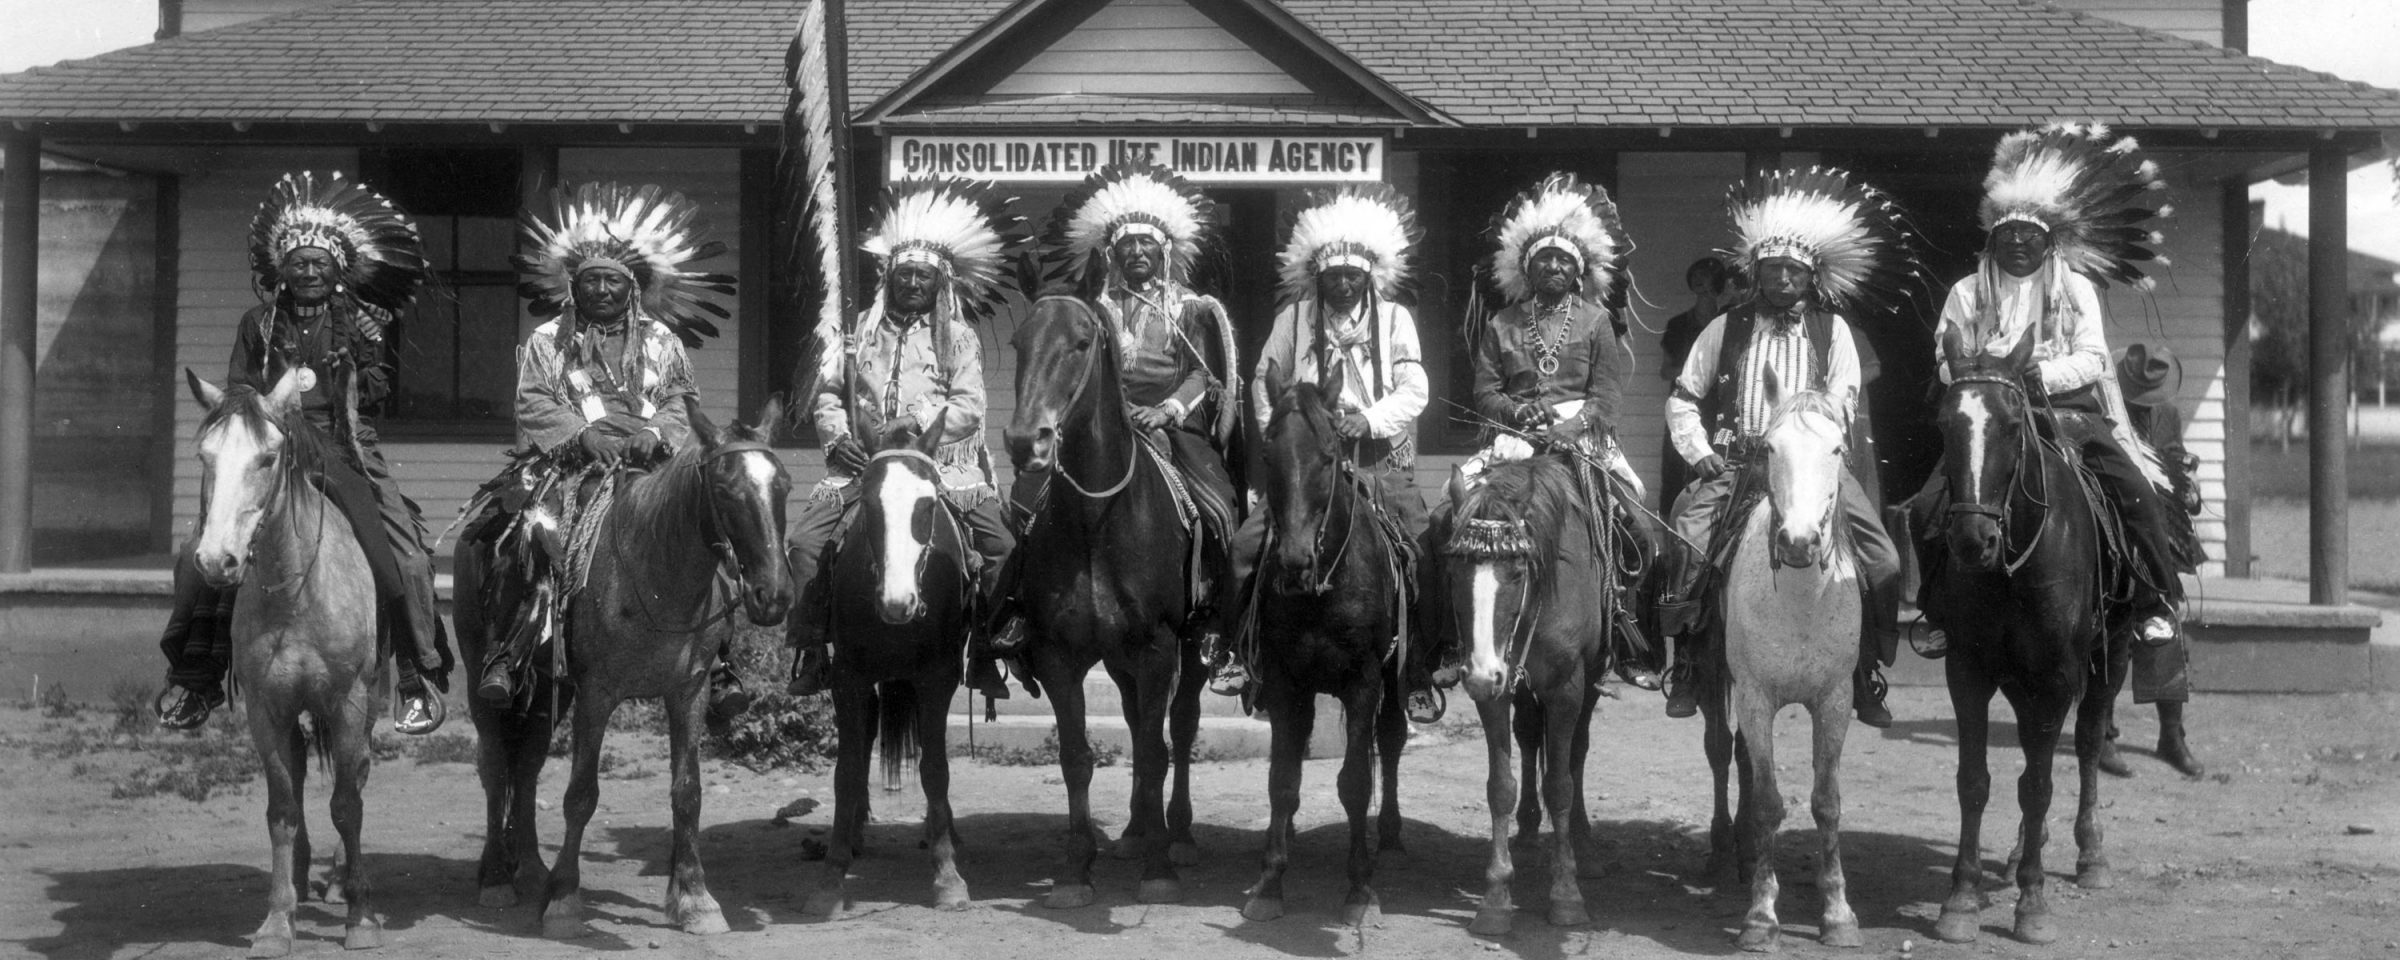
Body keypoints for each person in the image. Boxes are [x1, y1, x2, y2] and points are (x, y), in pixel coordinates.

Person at [154, 172, 453, 735]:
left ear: (336, 267)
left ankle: (416, 672)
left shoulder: (361, 322)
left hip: (340, 444)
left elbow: (384, 388)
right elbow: (239, 389)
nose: (309, 271)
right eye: (298, 262)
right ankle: (196, 677)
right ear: (281, 269)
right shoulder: (257, 323)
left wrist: (354, 368)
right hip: (270, 441)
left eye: (318, 262)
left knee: (404, 553)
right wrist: (264, 410)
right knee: (202, 547)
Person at [471, 181, 749, 718]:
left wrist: (658, 434)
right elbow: (532, 399)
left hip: (652, 464)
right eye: (591, 280)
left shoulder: (662, 340)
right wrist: (581, 434)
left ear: (633, 287)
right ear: (573, 286)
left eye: (612, 281)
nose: (601, 290)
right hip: (571, 466)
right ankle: (512, 651)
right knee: (529, 534)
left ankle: (718, 660)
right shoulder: (548, 340)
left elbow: (680, 398)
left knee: (716, 533)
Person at [1914, 123, 2185, 659]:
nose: (2018, 244)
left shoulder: (2074, 288)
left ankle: (2155, 601)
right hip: (1990, 415)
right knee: (1927, 506)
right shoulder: (1967, 292)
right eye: (2007, 236)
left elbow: (2092, 358)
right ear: (1992, 239)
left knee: (2136, 489)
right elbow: (1944, 359)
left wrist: (2036, 377)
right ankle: (1937, 609)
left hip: (2067, 415)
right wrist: (1978, 378)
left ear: (2049, 241)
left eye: (2029, 236)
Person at [1658, 168, 1915, 728]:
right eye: (1772, 270)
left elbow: (1845, 400)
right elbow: (1683, 396)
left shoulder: (1833, 331)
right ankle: (1687, 666)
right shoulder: (1725, 327)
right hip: (1736, 465)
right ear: (1756, 272)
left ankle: (1866, 667)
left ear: (1811, 276)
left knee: (1884, 560)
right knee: (1687, 538)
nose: (1782, 280)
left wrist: (1809, 440)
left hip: (1810, 467)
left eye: (1793, 271)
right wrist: (1698, 451)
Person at [993, 163, 1242, 671]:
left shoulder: (1188, 308)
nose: (1137, 254)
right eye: (1127, 246)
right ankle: (1019, 607)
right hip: (1104, 422)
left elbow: (1203, 376)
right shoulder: (1093, 307)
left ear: (1164, 251)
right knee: (1023, 499)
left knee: (1218, 506)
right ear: (1112, 254)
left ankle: (1214, 619)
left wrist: (1167, 409)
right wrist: (1111, 408)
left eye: (1146, 246)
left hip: (1171, 426)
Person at [787, 179, 1022, 701]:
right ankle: (811, 647)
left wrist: (918, 426)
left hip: (939, 465)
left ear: (941, 283)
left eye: (924, 275)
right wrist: (837, 438)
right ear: (889, 278)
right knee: (804, 542)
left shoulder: (957, 339)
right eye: (904, 274)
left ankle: (988, 647)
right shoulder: (858, 336)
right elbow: (828, 395)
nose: (913, 283)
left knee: (1001, 545)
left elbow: (969, 406)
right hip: (861, 464)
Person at [1206, 184, 1430, 706]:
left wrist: (1369, 420)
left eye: (1354, 276)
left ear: (1369, 274)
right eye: (1334, 276)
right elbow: (1266, 377)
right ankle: (1237, 651)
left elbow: (1414, 389)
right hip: (1306, 469)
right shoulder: (1294, 319)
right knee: (1244, 547)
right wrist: (1285, 434)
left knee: (1423, 545)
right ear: (1318, 276)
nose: (1345, 285)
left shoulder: (1395, 319)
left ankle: (1422, 662)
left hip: (1377, 463)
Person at [1459, 171, 1657, 693]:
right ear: (1527, 267)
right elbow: (1484, 391)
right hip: (1514, 438)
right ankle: (1454, 639)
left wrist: (1573, 428)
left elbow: (1608, 395)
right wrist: (1514, 414)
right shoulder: (1502, 322)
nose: (1554, 266)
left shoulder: (1595, 321)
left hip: (1582, 438)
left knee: (1635, 522)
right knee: (1448, 515)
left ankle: (1623, 630)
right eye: (1544, 258)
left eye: (1564, 260)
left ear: (1579, 270)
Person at [2100, 342, 2207, 778]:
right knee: (2109, 630)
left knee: (2163, 625)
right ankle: (2102, 733)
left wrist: (2187, 486)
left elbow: (2175, 458)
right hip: (2115, 523)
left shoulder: (2167, 414)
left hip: (2161, 532)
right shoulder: (2103, 408)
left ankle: (2171, 734)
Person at [1658, 257, 1731, 511]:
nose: (1700, 281)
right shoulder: (1678, 325)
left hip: (1720, 408)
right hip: (1687, 404)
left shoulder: (1730, 322)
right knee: (1677, 467)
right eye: (1696, 275)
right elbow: (1665, 371)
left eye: (1708, 276)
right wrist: (1698, 372)